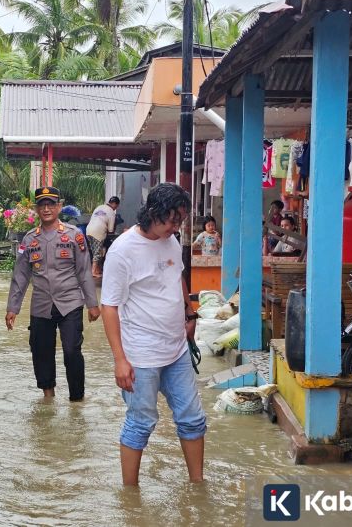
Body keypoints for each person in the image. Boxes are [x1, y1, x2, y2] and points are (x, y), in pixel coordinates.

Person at [100, 183, 206, 485]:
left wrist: (189, 313)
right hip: (141, 355)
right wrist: (120, 360)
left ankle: (198, 485)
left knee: (193, 418)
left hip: (177, 350)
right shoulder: (122, 250)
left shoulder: (171, 240)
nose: (176, 227)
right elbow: (109, 307)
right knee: (141, 423)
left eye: (180, 221)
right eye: (172, 220)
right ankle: (130, 496)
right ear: (153, 213)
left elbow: (177, 276)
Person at [6, 186, 101, 401]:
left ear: (59, 207)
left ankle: (76, 400)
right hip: (41, 304)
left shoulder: (74, 235)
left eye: (51, 204)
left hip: (70, 302)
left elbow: (84, 271)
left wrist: (92, 304)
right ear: (36, 209)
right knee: (41, 351)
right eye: (42, 205)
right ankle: (48, 398)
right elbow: (20, 276)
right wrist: (13, 308)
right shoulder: (29, 239)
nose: (47, 209)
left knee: (72, 351)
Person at [86, 196, 120, 277]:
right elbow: (111, 230)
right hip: (98, 232)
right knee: (98, 253)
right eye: (117, 206)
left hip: (88, 230)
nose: (116, 208)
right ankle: (93, 272)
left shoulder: (99, 207)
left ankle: (97, 270)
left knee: (94, 252)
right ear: (115, 204)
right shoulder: (111, 212)